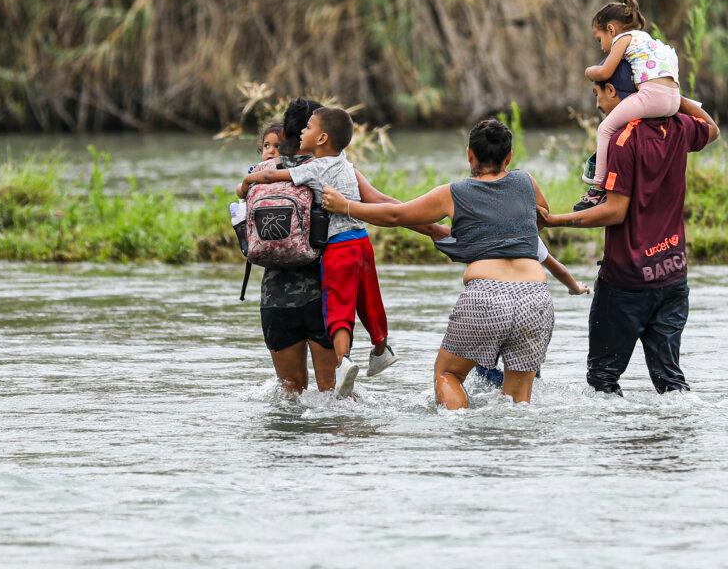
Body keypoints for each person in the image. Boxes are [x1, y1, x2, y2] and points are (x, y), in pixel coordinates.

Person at [322, 119, 554, 406]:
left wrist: (345, 205)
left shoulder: (453, 193)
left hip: (486, 296)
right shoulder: (526, 182)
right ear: (509, 157)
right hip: (535, 297)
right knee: (518, 402)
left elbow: (395, 215)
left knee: (448, 374)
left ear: (469, 154)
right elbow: (542, 217)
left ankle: (458, 431)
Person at [242, 99, 447, 396]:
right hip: (326, 293)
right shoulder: (334, 166)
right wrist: (434, 229)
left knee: (289, 394)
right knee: (333, 396)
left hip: (276, 296)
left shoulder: (264, 170)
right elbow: (385, 206)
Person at [539, 65, 720, 396]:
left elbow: (615, 211)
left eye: (597, 94)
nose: (597, 104)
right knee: (671, 383)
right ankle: (675, 431)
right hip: (672, 275)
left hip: (626, 282)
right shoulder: (678, 125)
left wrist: (553, 221)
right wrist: (674, 98)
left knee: (602, 381)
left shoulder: (624, 138)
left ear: (612, 91)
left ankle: (620, 433)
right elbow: (712, 129)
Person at [576, 0, 682, 210]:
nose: (602, 47)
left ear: (611, 29)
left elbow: (605, 72)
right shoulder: (646, 39)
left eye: (599, 39)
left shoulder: (623, 39)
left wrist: (588, 71)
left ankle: (597, 187)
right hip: (674, 99)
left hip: (653, 96)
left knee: (605, 129)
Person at [474, 236, 587, 387]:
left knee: (484, 369)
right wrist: (575, 288)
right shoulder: (529, 234)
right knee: (530, 372)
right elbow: (559, 270)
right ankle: (522, 390)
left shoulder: (480, 230)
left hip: (492, 305)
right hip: (530, 305)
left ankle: (499, 391)